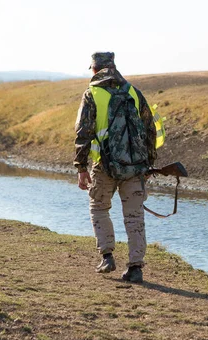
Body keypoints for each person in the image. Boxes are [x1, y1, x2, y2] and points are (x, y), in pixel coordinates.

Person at [74, 52, 158, 283]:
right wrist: (148, 165)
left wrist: (81, 167)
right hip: (135, 167)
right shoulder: (133, 91)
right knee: (134, 216)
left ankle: (107, 256)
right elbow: (150, 129)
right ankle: (135, 268)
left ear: (94, 69)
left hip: (104, 166)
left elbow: (83, 133)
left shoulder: (92, 94)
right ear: (113, 66)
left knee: (99, 208)